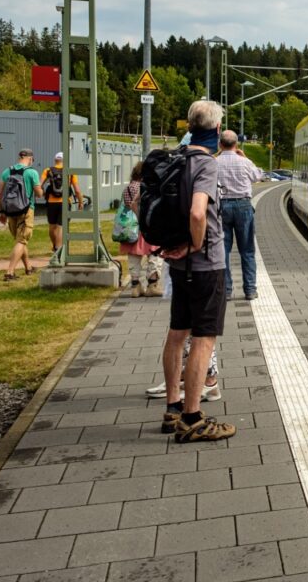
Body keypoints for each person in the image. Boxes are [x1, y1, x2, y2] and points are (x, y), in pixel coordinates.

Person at [160, 99, 234, 443]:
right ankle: (192, 418)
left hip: (178, 265)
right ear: (217, 130)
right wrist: (195, 244)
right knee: (203, 339)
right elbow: (197, 213)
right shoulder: (206, 163)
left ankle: (172, 409)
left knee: (177, 334)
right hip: (205, 266)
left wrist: (179, 249)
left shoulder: (176, 157)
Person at [216, 129, 265, 301]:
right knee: (247, 250)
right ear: (236, 144)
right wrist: (245, 157)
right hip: (243, 206)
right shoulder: (244, 162)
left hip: (221, 207)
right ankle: (250, 290)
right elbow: (259, 176)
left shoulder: (214, 162)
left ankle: (227, 291)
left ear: (220, 144)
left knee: (223, 251)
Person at [117, 162, 164, 297]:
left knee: (133, 258)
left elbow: (126, 206)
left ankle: (136, 286)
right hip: (148, 226)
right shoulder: (148, 187)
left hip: (131, 228)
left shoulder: (128, 188)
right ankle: (152, 285)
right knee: (154, 255)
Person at [0, 148, 43, 282]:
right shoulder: (32, 172)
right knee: (22, 241)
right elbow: (39, 193)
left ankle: (28, 267)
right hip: (26, 210)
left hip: (10, 211)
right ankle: (10, 272)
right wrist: (42, 190)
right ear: (29, 158)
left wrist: (1, 212)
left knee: (20, 241)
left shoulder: (7, 171)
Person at [41, 152, 84, 254]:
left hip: (51, 203)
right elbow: (77, 190)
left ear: (55, 160)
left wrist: (43, 193)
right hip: (64, 202)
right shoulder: (69, 171)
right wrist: (80, 202)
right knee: (61, 227)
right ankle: (59, 251)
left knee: (52, 226)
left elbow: (39, 185)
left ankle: (55, 246)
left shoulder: (48, 170)